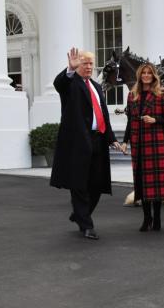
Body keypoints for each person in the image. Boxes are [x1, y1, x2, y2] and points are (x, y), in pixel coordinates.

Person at [50, 48, 122, 240]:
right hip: (78, 142)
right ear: (77, 65)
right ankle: (86, 225)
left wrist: (112, 139)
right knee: (79, 184)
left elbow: (104, 116)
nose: (89, 67)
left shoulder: (97, 87)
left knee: (97, 184)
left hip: (98, 139)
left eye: (91, 63)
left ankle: (79, 214)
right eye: (85, 63)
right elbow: (59, 84)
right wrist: (70, 70)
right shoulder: (70, 83)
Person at [121, 63, 164, 232]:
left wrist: (155, 120)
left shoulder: (161, 94)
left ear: (154, 75)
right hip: (138, 144)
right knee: (141, 183)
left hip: (156, 144)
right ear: (140, 75)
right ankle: (146, 218)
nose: (146, 75)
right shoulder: (132, 95)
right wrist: (125, 141)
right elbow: (130, 121)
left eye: (149, 73)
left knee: (155, 184)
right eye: (144, 73)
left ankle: (156, 219)